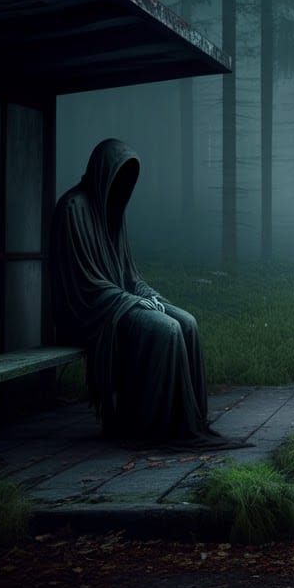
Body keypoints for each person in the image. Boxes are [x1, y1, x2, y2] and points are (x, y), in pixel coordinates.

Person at [49, 137, 225, 447]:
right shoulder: (72, 208)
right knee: (167, 330)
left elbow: (129, 275)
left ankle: (187, 420)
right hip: (91, 312)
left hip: (117, 301)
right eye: (118, 175)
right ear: (102, 170)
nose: (122, 186)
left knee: (187, 321)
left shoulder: (111, 212)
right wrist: (134, 302)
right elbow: (84, 286)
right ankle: (151, 426)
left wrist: (150, 296)